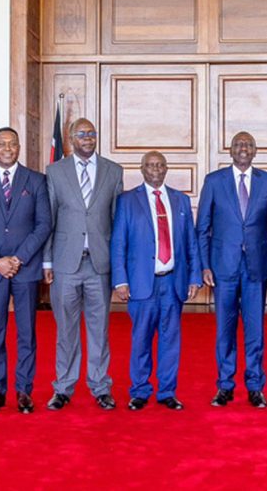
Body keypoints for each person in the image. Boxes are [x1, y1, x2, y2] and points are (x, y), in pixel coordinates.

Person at [197, 131, 267, 408]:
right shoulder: (214, 181)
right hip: (222, 268)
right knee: (224, 330)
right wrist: (204, 265)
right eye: (238, 144)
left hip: (257, 268)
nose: (243, 148)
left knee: (255, 330)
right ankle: (225, 386)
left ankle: (255, 386)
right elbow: (202, 227)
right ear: (231, 150)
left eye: (248, 144)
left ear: (255, 151)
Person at [42, 118, 124, 411]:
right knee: (66, 329)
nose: (87, 138)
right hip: (66, 263)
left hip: (100, 263)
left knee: (99, 329)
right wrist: (47, 260)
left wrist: (119, 267)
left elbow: (117, 221)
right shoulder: (55, 171)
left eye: (92, 133)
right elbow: (49, 218)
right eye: (81, 134)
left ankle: (100, 387)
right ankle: (63, 388)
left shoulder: (113, 171)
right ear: (70, 138)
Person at [0, 127, 52, 415]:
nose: (7, 148)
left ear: (19, 148)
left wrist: (18, 258)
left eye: (12, 144)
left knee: (27, 332)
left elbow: (43, 224)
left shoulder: (36, 180)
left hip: (25, 269)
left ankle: (24, 391)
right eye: (1, 144)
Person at [110, 151, 202, 410]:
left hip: (173, 282)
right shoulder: (127, 201)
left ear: (166, 169)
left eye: (160, 165)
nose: (156, 170)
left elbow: (191, 242)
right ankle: (139, 390)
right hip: (142, 283)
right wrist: (120, 280)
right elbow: (118, 243)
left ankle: (167, 392)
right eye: (150, 165)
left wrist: (194, 277)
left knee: (170, 340)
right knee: (141, 339)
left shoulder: (181, 200)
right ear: (142, 169)